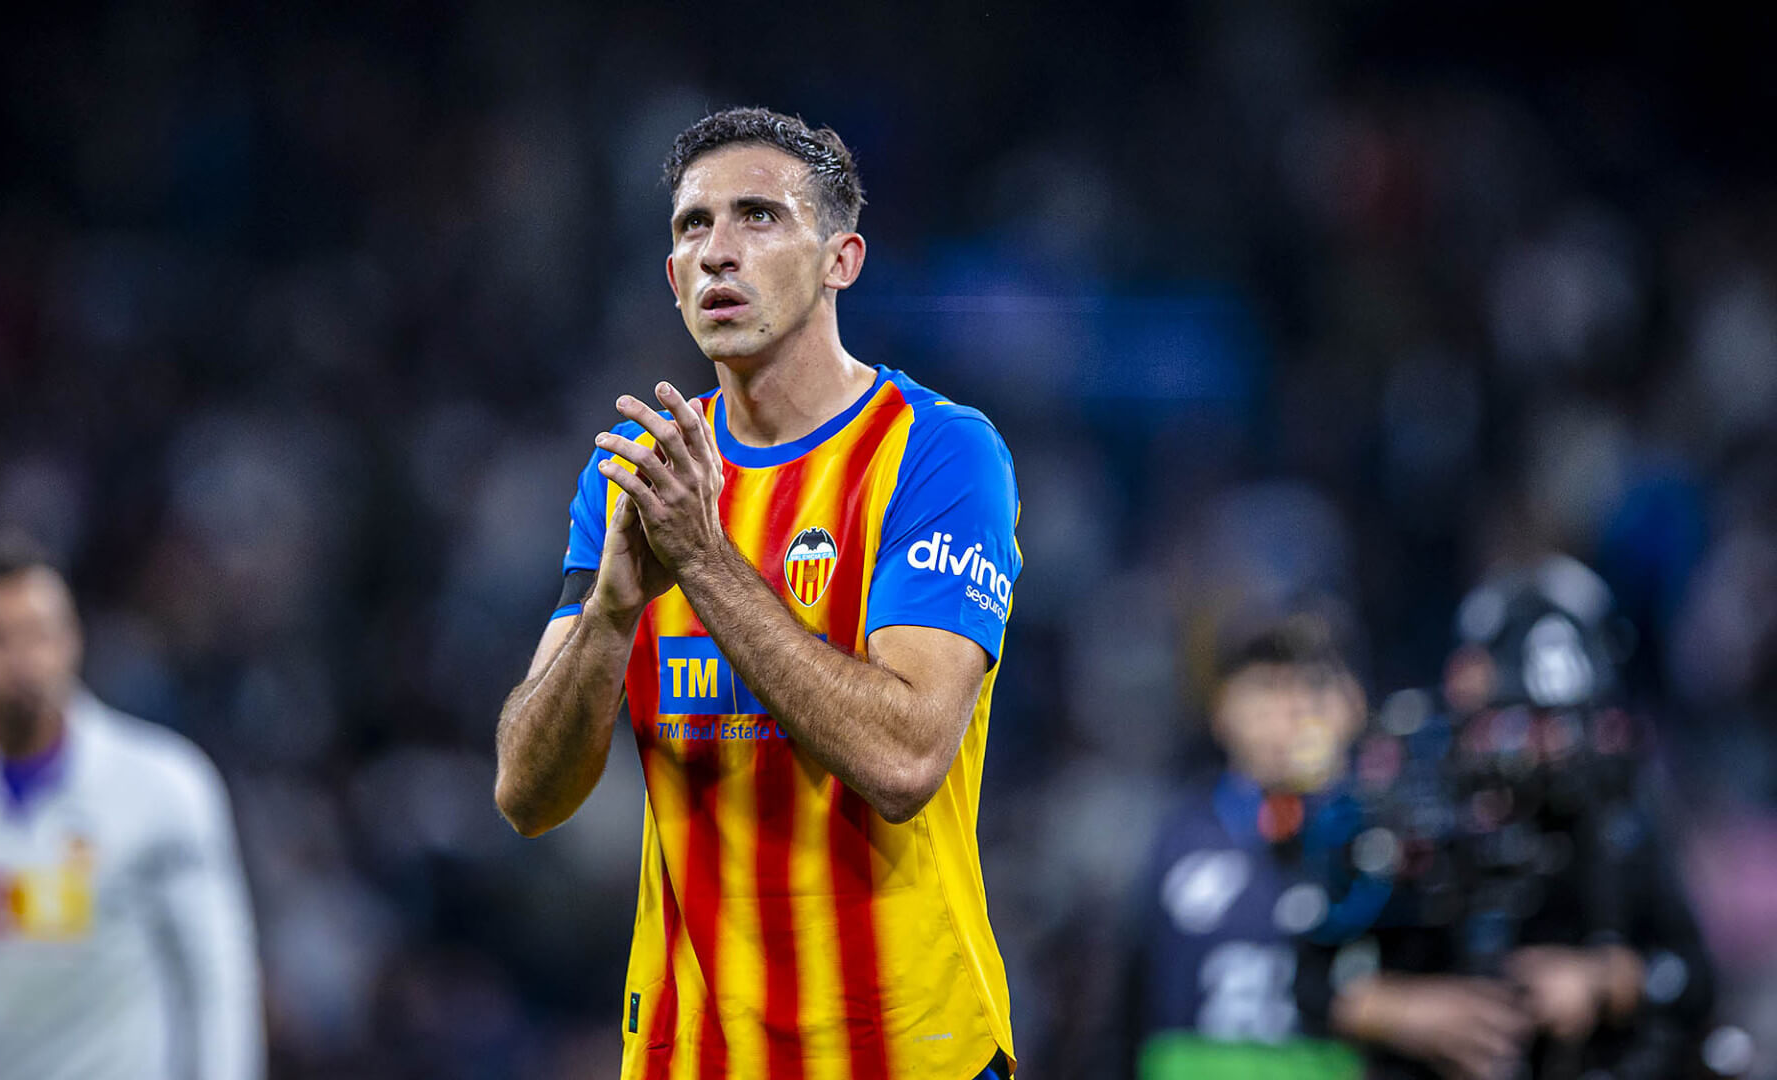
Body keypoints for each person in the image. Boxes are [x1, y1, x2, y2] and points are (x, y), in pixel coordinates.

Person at [494, 106, 1022, 1080]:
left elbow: (905, 760)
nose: (718, 251)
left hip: (905, 1054)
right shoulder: (636, 475)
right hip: (688, 1055)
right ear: (672, 278)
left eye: (760, 216)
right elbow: (528, 796)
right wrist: (610, 615)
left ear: (841, 261)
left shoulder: (939, 453)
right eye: (694, 226)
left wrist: (702, 562)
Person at [0, 533, 264, 1080]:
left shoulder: (163, 786)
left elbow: (216, 975)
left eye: (39, 633)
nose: (23, 660)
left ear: (73, 640)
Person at [1313, 556, 1714, 1080]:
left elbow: (1694, 977)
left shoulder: (1614, 813)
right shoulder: (1404, 797)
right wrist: (1405, 1012)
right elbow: (1303, 977)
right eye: (1519, 720)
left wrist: (1602, 980)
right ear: (1466, 686)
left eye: (1563, 722)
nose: (1543, 746)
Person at [1114, 615, 1368, 1080]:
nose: (1293, 710)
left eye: (1313, 686)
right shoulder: (1179, 838)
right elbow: (1126, 1007)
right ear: (1220, 709)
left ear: (1354, 705)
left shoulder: (1387, 840)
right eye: (1267, 688)